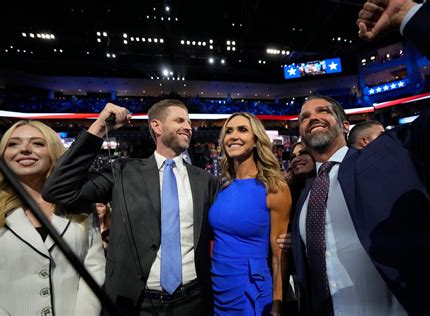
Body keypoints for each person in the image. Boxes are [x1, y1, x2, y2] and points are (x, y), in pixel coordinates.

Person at [291, 0, 430, 314]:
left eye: (323, 110)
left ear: (344, 124)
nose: (312, 117)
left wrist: (409, 15)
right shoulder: (304, 200)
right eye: (304, 116)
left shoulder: (391, 153)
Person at [42, 99, 218, 315]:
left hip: (193, 301)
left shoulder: (206, 180)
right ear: (157, 126)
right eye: (180, 120)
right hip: (134, 301)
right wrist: (98, 127)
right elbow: (58, 189)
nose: (188, 127)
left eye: (189, 122)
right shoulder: (124, 171)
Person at [0, 120, 105, 315]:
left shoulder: (81, 206)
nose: (24, 149)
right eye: (13, 144)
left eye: (37, 143)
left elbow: (94, 270)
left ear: (55, 153)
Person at [208, 112, 291, 315]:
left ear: (256, 141)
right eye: (228, 131)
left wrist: (277, 305)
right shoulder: (223, 186)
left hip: (251, 289)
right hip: (217, 289)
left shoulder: (274, 187)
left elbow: (279, 255)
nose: (233, 136)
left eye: (242, 130)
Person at [287, 141, 316, 209]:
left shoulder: (328, 185)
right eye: (293, 157)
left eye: (303, 153)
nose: (296, 159)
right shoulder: (287, 190)